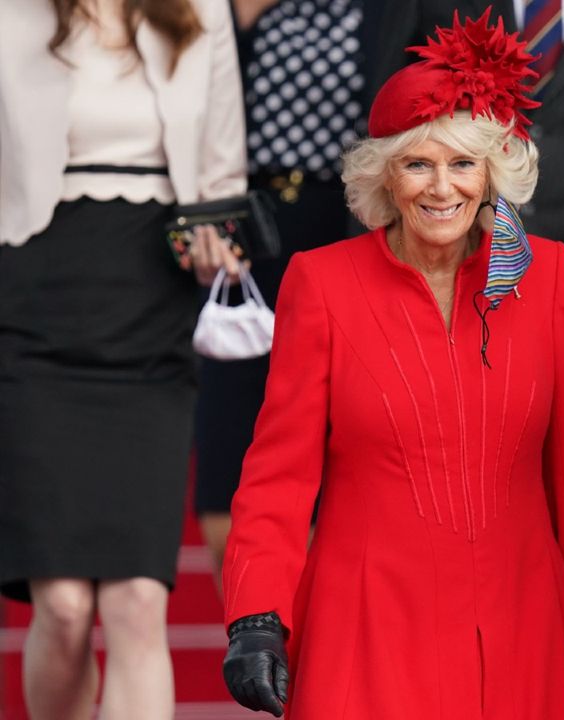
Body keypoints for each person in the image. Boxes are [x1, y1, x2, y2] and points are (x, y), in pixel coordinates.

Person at [219, 11, 564, 718]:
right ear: (385, 175)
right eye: (418, 164)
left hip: (518, 624)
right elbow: (279, 474)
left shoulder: (547, 276)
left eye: (463, 164)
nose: (443, 189)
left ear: (493, 172)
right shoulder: (322, 283)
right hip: (367, 626)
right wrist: (257, 614)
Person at [0, 1, 246, 718]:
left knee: (139, 600)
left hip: (152, 310)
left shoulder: (202, 12)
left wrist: (218, 245)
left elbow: (223, 169)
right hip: (32, 303)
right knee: (68, 607)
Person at [194, 0, 448, 598]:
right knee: (224, 501)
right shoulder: (219, 10)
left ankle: (320, 668)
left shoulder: (390, 11)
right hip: (245, 248)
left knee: (339, 486)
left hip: (347, 234)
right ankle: (263, 646)